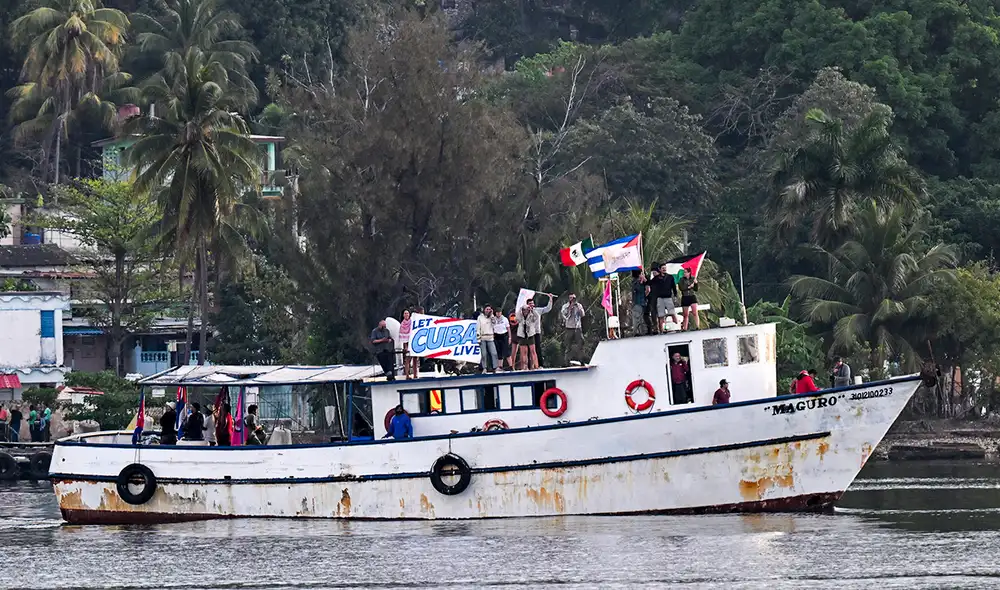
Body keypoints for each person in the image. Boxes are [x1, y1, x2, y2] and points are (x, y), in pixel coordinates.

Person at [560, 293, 586, 365]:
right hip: (569, 328)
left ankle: (582, 361)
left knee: (580, 344)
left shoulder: (579, 305)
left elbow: (583, 314)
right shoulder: (565, 306)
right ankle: (566, 362)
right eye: (571, 298)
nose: (572, 299)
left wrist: (578, 308)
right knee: (568, 346)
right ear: (569, 298)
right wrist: (569, 308)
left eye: (574, 298)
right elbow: (564, 315)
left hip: (578, 327)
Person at [476, 305, 500, 373]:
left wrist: (492, 315)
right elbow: (478, 328)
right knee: (484, 354)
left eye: (489, 309)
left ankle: (495, 367)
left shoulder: (492, 317)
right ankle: (484, 368)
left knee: (494, 353)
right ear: (484, 310)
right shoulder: (480, 317)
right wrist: (478, 339)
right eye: (487, 309)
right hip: (483, 337)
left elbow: (494, 323)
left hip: (490, 337)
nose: (488, 310)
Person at [534, 294, 555, 367]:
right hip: (528, 333)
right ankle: (530, 365)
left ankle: (540, 365)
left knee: (538, 349)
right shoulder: (525, 311)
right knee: (529, 349)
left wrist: (550, 299)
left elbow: (547, 308)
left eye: (532, 304)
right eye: (529, 304)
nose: (531, 305)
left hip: (537, 332)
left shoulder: (537, 310)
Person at [631, 270, 651, 336]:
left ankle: (642, 332)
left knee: (641, 318)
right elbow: (637, 289)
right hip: (637, 303)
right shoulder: (635, 282)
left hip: (642, 303)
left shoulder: (642, 282)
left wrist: (645, 282)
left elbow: (647, 290)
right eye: (642, 274)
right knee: (637, 319)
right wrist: (641, 281)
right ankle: (636, 332)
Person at [399, 309, 417, 380]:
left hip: (414, 343)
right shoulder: (402, 325)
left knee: (415, 359)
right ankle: (407, 375)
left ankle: (415, 374)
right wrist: (405, 346)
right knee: (407, 360)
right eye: (405, 313)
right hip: (407, 345)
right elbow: (403, 337)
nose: (406, 315)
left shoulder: (412, 322)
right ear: (403, 315)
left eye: (407, 313)